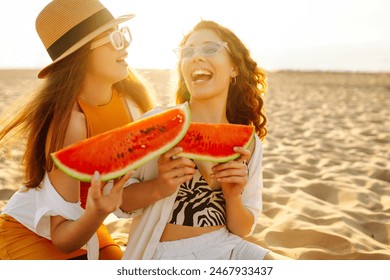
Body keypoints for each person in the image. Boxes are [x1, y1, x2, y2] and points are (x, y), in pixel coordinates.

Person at [0, 0, 154, 260]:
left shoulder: (133, 105)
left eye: (123, 35)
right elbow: (62, 236)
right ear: (81, 55)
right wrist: (97, 213)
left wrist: (161, 186)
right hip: (30, 233)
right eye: (113, 38)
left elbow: (123, 194)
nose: (124, 45)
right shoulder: (72, 122)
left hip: (86, 226)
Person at [118, 20, 284, 260]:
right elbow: (119, 201)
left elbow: (242, 228)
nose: (195, 57)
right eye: (188, 52)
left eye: (209, 49)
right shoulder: (158, 123)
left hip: (229, 247)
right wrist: (160, 185)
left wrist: (232, 195)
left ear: (234, 67)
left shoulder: (248, 141)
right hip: (166, 254)